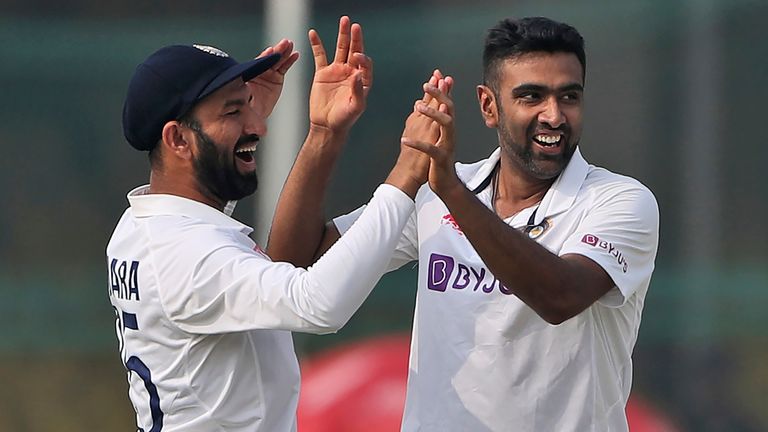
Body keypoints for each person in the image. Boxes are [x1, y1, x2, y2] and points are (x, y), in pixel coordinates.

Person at [268, 17, 660, 432]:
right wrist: (324, 133)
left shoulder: (621, 201)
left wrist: (452, 191)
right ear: (489, 106)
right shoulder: (436, 192)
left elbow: (559, 297)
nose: (554, 115)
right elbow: (293, 263)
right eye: (531, 96)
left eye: (569, 97)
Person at [107, 17, 426, 431]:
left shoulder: (143, 224)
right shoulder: (183, 254)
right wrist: (406, 173)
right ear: (178, 140)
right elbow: (318, 303)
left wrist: (323, 132)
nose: (258, 125)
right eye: (233, 110)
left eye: (249, 106)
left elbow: (267, 256)